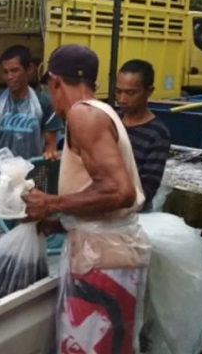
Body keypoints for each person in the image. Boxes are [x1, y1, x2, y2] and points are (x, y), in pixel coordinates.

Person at [22, 44, 150, 353]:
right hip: (106, 253)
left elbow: (120, 191)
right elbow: (97, 190)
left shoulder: (83, 114)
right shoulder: (99, 111)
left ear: (54, 81)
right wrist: (62, 222)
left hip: (103, 261)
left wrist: (51, 202)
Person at [0, 45, 63, 186]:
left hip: (30, 179)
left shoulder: (44, 103)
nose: (9, 76)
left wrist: (49, 156)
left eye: (15, 70)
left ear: (29, 69)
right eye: (5, 72)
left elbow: (50, 145)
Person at [116, 59, 171, 212]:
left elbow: (147, 188)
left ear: (149, 91)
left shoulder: (158, 134)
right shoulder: (111, 121)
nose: (122, 99)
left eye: (130, 93)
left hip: (134, 214)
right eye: (118, 91)